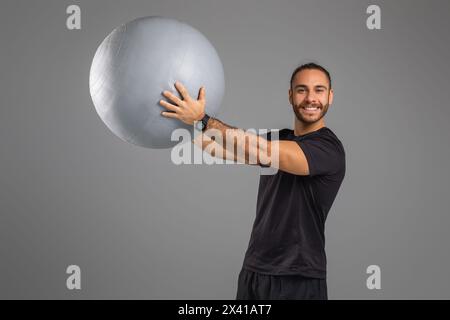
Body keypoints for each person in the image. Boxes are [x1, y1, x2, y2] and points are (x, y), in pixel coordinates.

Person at [160, 62, 346, 300]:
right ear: (290, 96)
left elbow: (261, 150)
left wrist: (203, 118)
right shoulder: (280, 138)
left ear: (330, 96)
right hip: (255, 271)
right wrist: (181, 119)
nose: (311, 98)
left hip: (298, 277)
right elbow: (217, 148)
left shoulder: (328, 149)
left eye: (319, 90)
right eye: (302, 90)